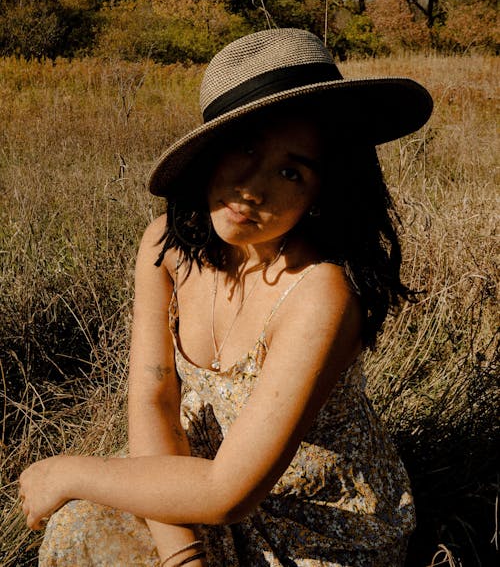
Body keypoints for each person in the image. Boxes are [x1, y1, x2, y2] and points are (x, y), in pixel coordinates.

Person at [20, 28, 433, 567]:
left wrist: (64, 470)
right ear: (209, 152)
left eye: (291, 171)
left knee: (78, 493)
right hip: (192, 476)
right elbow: (154, 401)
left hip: (313, 517)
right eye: (244, 148)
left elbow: (232, 491)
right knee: (82, 525)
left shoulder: (320, 291)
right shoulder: (164, 248)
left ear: (319, 192)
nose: (252, 190)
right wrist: (181, 551)